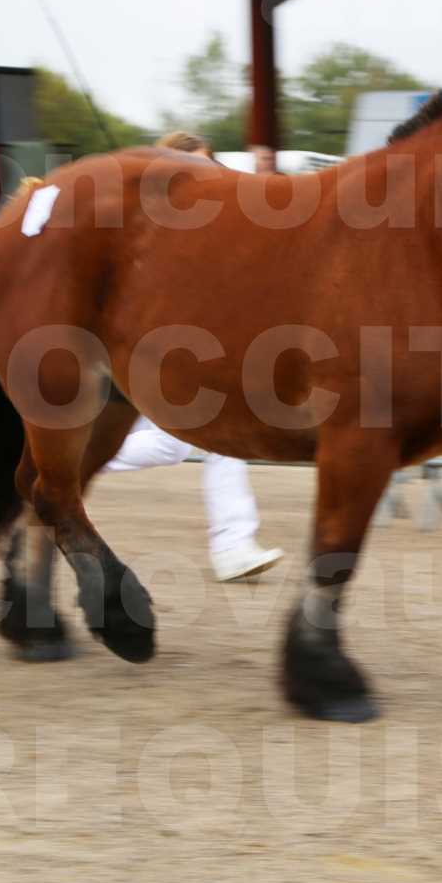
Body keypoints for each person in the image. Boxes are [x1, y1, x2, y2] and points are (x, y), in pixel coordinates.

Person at [97, 131, 284, 582]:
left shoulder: (207, 222)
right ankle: (46, 467)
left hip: (183, 354)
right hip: (144, 353)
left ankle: (234, 545)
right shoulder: (152, 224)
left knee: (218, 440)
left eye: (210, 165)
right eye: (197, 166)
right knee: (175, 443)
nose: (209, 175)